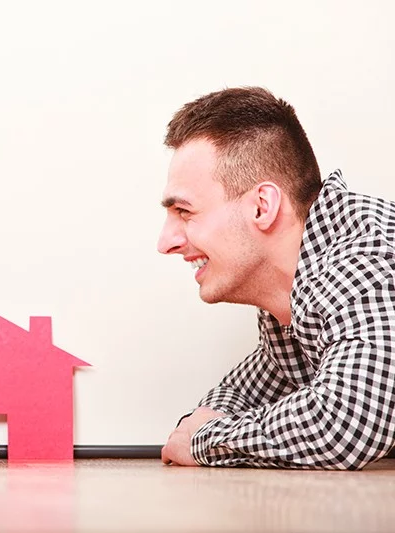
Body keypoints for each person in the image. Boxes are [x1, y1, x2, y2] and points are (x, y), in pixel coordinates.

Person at [156, 86, 395, 470]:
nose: (165, 242)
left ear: (262, 207)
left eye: (185, 211)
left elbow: (347, 425)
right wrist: (205, 422)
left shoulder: (360, 263)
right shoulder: (294, 300)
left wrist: (204, 441)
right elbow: (244, 392)